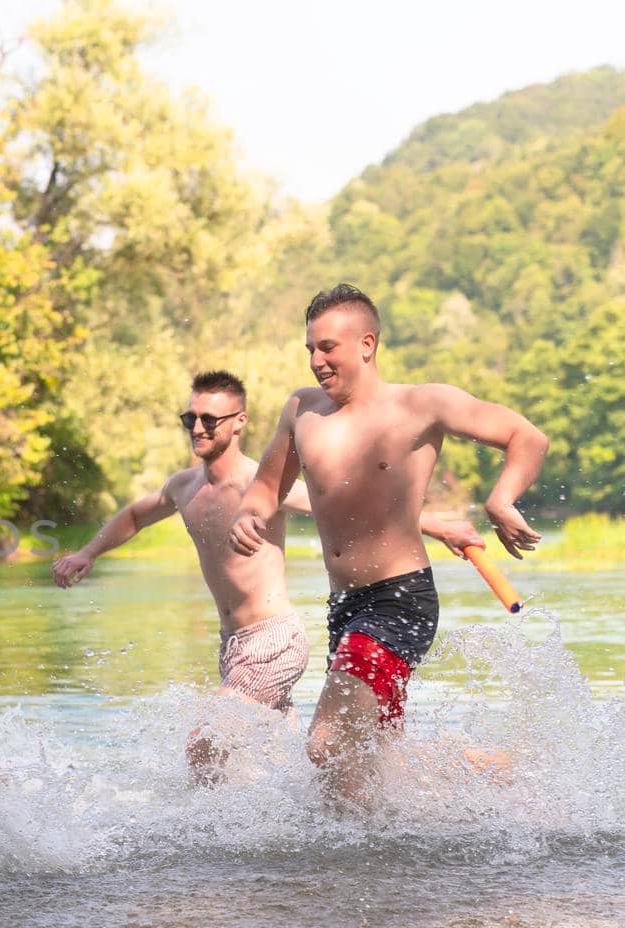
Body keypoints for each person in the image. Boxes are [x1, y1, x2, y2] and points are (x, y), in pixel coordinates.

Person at [52, 371, 479, 780]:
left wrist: (440, 528)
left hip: (274, 640)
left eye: (209, 420)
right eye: (190, 419)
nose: (198, 428)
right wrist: (87, 553)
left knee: (205, 742)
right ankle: (443, 773)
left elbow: (349, 505)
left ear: (239, 423)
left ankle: (207, 840)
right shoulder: (183, 488)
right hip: (232, 646)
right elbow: (134, 515)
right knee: (283, 766)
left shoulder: (261, 485)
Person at [231, 284, 547, 805]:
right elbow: (267, 488)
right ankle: (507, 774)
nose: (315, 360)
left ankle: (358, 868)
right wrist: (249, 515)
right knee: (371, 762)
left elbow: (527, 437)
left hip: (399, 600)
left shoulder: (422, 403)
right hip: (345, 607)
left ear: (366, 344)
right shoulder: (300, 411)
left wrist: (501, 500)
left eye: (327, 347)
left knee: (328, 743)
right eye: (309, 348)